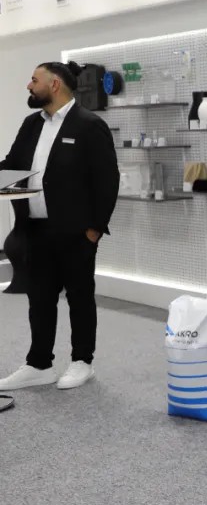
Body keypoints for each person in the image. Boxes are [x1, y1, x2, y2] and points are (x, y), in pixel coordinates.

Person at [0, 62, 119, 390]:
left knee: (80, 298)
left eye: (34, 80)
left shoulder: (89, 125)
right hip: (34, 229)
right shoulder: (31, 124)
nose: (28, 85)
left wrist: (94, 229)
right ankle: (39, 364)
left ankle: (82, 362)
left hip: (76, 232)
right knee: (39, 299)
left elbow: (107, 180)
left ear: (54, 85)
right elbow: (12, 166)